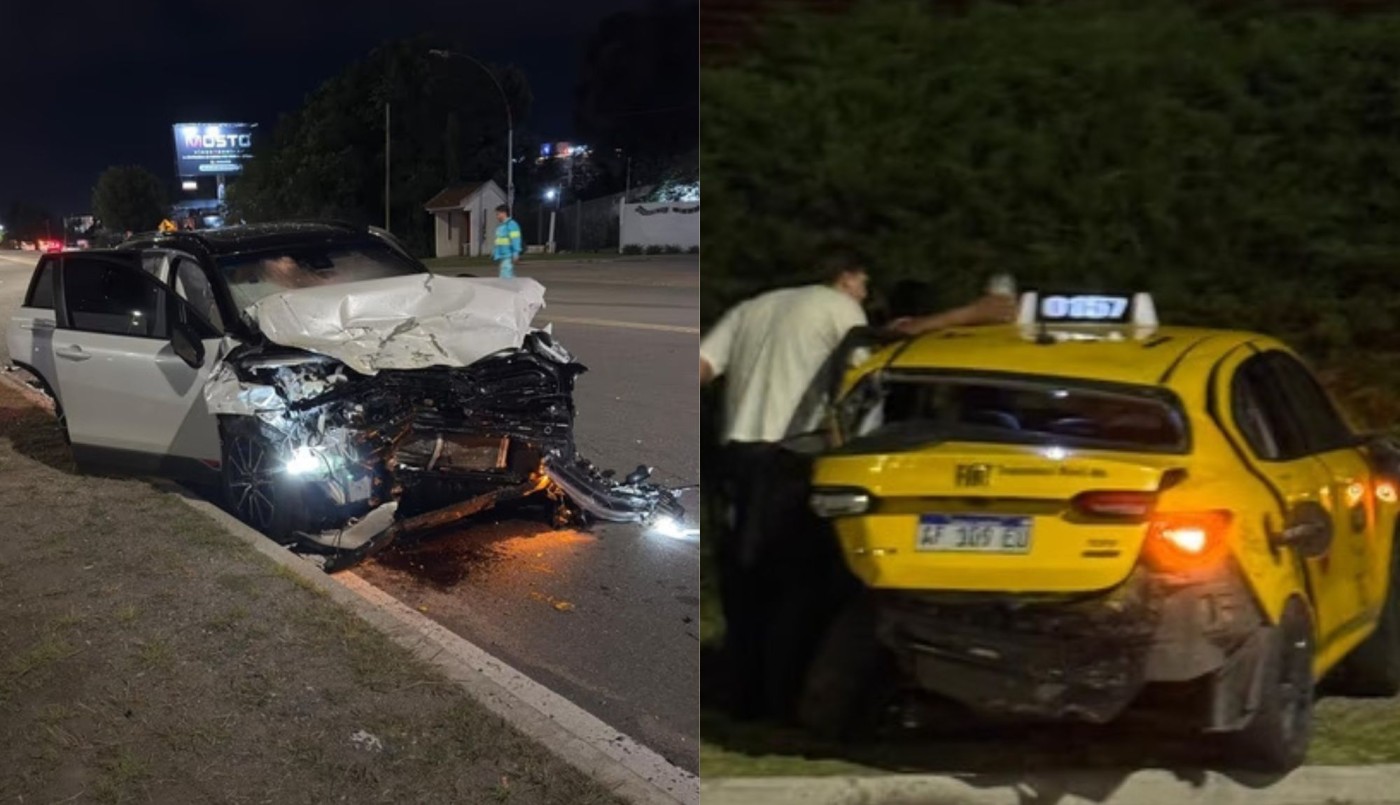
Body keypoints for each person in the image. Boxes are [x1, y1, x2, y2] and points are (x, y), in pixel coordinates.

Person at [699, 252, 1016, 722]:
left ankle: (741, 691)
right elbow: (861, 382)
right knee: (799, 583)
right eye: (864, 283)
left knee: (746, 579)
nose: (866, 293)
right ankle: (782, 699)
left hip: (742, 458)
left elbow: (702, 365)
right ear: (845, 278)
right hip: (796, 459)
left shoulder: (753, 307)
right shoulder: (837, 307)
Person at [492, 204, 523, 278]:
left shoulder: (511, 225)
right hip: (503, 256)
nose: (497, 216)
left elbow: (515, 240)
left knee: (505, 278)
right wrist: (495, 253)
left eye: (498, 214)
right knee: (507, 276)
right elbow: (499, 242)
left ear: (504, 213)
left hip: (508, 256)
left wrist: (516, 253)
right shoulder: (501, 226)